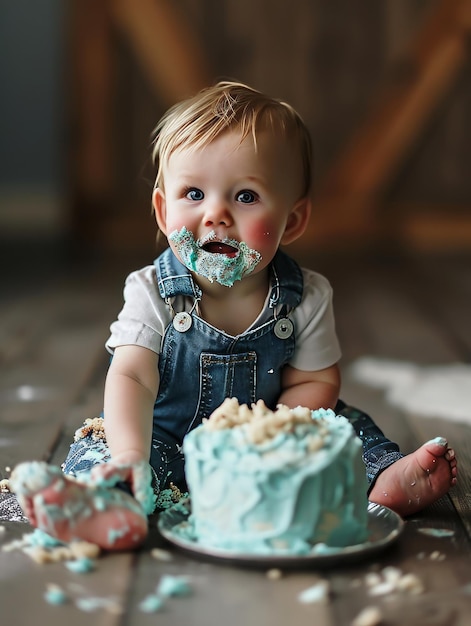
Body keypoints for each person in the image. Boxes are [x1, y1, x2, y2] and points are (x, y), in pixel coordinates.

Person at [11, 81, 457, 550]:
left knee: (346, 427)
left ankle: (384, 480)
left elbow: (315, 381)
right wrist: (129, 453)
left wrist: (272, 440)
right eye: (193, 193)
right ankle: (111, 505)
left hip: (266, 435)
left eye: (245, 197)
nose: (216, 214)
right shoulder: (152, 292)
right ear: (163, 211)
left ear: (294, 220)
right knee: (100, 447)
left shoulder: (305, 296)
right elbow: (133, 378)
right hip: (165, 434)